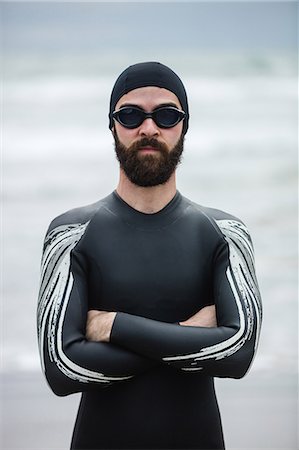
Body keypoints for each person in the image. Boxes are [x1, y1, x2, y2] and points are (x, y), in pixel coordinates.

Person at [37, 61, 262, 450]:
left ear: (184, 126)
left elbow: (238, 354)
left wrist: (113, 327)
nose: (148, 128)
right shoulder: (70, 234)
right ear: (112, 126)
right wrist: (189, 335)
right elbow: (62, 368)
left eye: (166, 115)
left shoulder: (225, 234)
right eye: (130, 115)